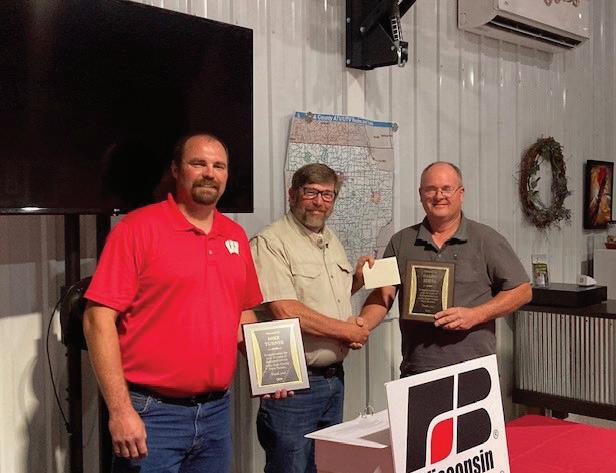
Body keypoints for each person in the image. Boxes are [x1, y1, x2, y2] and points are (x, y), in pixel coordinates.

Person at [83, 133, 273, 473]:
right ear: (175, 169)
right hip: (152, 414)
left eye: (219, 166)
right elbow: (97, 319)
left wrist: (271, 371)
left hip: (216, 414)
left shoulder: (235, 236)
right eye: (198, 163)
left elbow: (243, 313)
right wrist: (120, 411)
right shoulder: (137, 229)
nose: (210, 173)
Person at [250, 163, 373, 473]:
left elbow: (328, 298)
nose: (319, 202)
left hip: (334, 381)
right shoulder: (272, 241)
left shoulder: (330, 239)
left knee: (325, 467)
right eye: (311, 193)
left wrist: (357, 281)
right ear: (292, 194)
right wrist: (346, 332)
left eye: (327, 195)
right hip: (294, 388)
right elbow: (285, 309)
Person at [359, 161, 532, 376]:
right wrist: (361, 326)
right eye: (431, 189)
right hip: (417, 370)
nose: (439, 196)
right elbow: (382, 295)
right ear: (421, 194)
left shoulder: (487, 239)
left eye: (447, 189)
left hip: (474, 371)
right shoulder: (401, 241)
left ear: (461, 193)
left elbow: (523, 290)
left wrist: (476, 315)